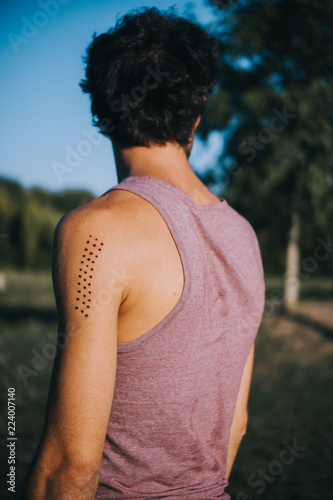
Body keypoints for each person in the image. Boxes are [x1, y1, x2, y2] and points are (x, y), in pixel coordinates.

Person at [23, 7, 265, 499]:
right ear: (197, 110)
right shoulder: (244, 237)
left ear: (103, 111)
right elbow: (235, 427)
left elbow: (69, 467)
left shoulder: (97, 231)